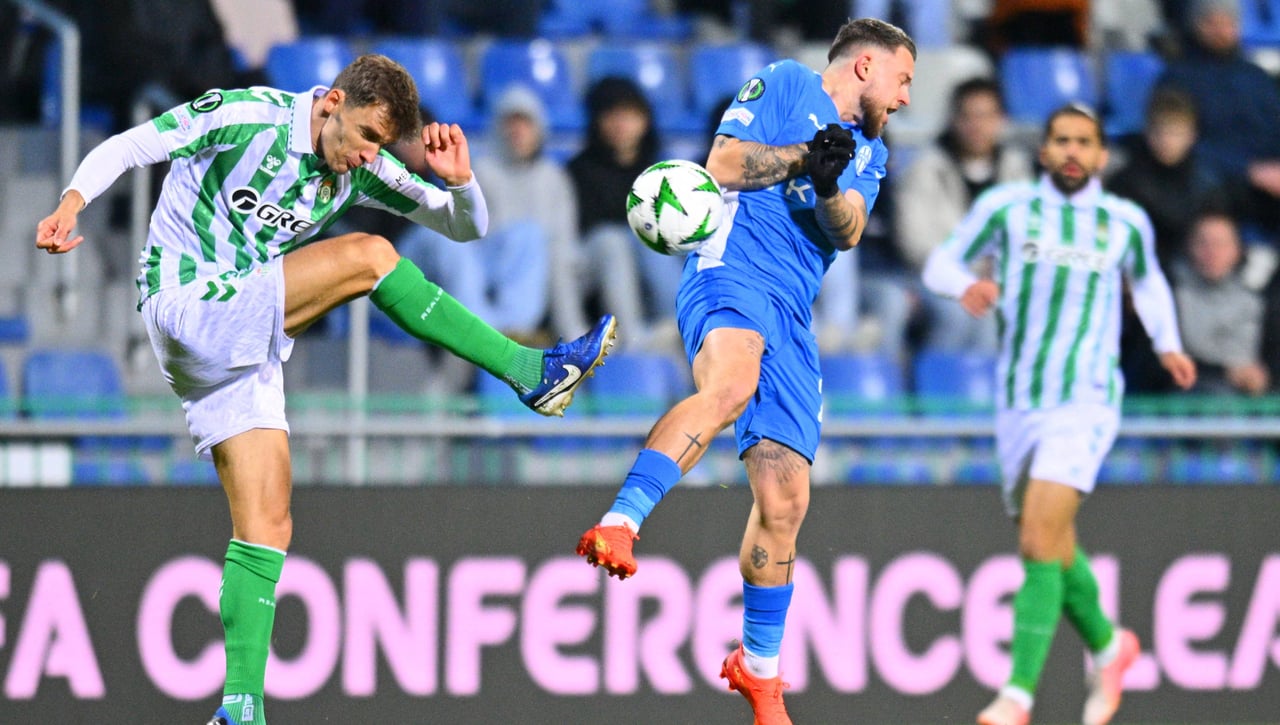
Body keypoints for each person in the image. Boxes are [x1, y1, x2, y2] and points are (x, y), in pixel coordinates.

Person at [35, 54, 616, 725]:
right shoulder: (248, 116)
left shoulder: (363, 163)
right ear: (333, 101)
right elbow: (134, 145)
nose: (369, 154)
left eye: (381, 144)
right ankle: (529, 371)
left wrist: (461, 184)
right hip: (186, 299)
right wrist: (70, 202)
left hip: (240, 336)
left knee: (268, 525)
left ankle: (239, 707)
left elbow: (465, 226)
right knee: (369, 256)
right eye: (366, 135)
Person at [575, 18, 916, 724]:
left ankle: (758, 670)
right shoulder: (788, 84)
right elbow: (723, 164)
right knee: (730, 385)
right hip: (731, 270)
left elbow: (848, 229)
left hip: (792, 311)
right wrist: (801, 159)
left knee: (786, 500)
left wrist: (827, 181)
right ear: (864, 66)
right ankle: (621, 520)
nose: (907, 97)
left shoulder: (873, 151)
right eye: (904, 79)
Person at [922, 104, 1197, 725]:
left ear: (1102, 156)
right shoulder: (1007, 208)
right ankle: (1109, 644)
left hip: (1088, 399)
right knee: (1055, 543)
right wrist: (961, 285)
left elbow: (1150, 284)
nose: (1073, 151)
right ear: (1044, 150)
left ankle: (1017, 694)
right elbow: (942, 260)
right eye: (1061, 140)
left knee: (1036, 540)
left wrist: (1169, 343)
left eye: (1085, 142)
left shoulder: (1124, 222)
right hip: (1020, 400)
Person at [895, 76, 1034, 354]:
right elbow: (914, 240)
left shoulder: (1016, 170)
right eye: (967, 116)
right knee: (960, 314)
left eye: (985, 116)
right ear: (953, 119)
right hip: (933, 277)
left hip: (999, 278)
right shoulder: (926, 168)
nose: (976, 126)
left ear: (1001, 119)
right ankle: (942, 392)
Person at [568, 76, 683, 352]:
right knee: (614, 239)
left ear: (644, 120)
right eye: (612, 115)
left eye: (629, 115)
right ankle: (633, 337)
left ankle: (682, 322)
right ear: (597, 121)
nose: (621, 124)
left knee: (657, 236)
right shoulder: (578, 171)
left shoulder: (662, 171)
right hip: (596, 272)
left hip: (649, 269)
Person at [1157, 0, 1280, 241]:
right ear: (1196, 25)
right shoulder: (1177, 79)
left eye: (1228, 22)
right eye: (1212, 22)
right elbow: (1179, 145)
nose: (1221, 30)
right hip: (1220, 180)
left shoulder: (1256, 76)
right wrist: (1250, 171)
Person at [1172, 211, 1269, 395]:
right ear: (1188, 247)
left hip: (1247, 405)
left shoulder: (1256, 300)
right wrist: (1226, 372)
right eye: (1203, 243)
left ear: (1237, 250)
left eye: (1220, 244)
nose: (1212, 252)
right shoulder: (1169, 298)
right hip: (1181, 402)